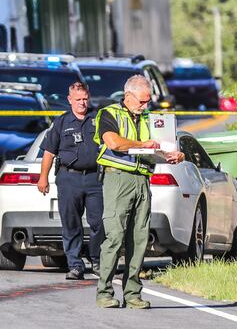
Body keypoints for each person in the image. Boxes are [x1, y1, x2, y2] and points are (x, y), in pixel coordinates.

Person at [94, 75, 184, 309]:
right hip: (117, 179)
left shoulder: (150, 118)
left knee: (140, 238)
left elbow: (166, 144)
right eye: (142, 102)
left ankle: (133, 293)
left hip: (142, 179)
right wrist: (143, 145)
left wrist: (175, 154)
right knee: (114, 236)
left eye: (147, 102)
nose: (145, 106)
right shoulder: (109, 114)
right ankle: (104, 292)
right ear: (128, 96)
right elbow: (112, 142)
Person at [37, 82, 104, 280]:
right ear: (69, 100)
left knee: (99, 222)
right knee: (71, 223)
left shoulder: (98, 118)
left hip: (95, 178)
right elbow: (49, 153)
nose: (82, 103)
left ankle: (97, 260)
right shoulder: (61, 122)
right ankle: (75, 265)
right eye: (78, 100)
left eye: (85, 99)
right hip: (69, 178)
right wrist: (43, 178)